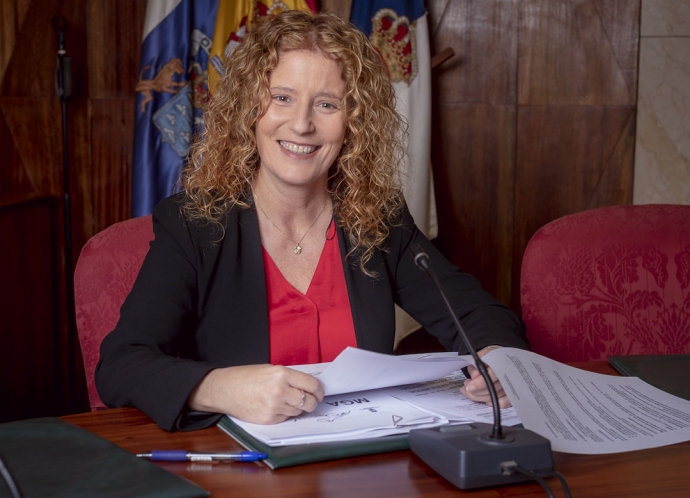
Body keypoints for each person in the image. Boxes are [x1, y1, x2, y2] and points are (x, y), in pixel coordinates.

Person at [96, 10, 529, 432]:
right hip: (241, 476)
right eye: (282, 97)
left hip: (358, 472)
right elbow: (121, 364)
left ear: (354, 123)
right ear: (250, 109)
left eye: (326, 104)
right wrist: (217, 386)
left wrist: (497, 360)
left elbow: (479, 313)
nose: (301, 124)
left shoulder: (377, 218)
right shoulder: (194, 224)